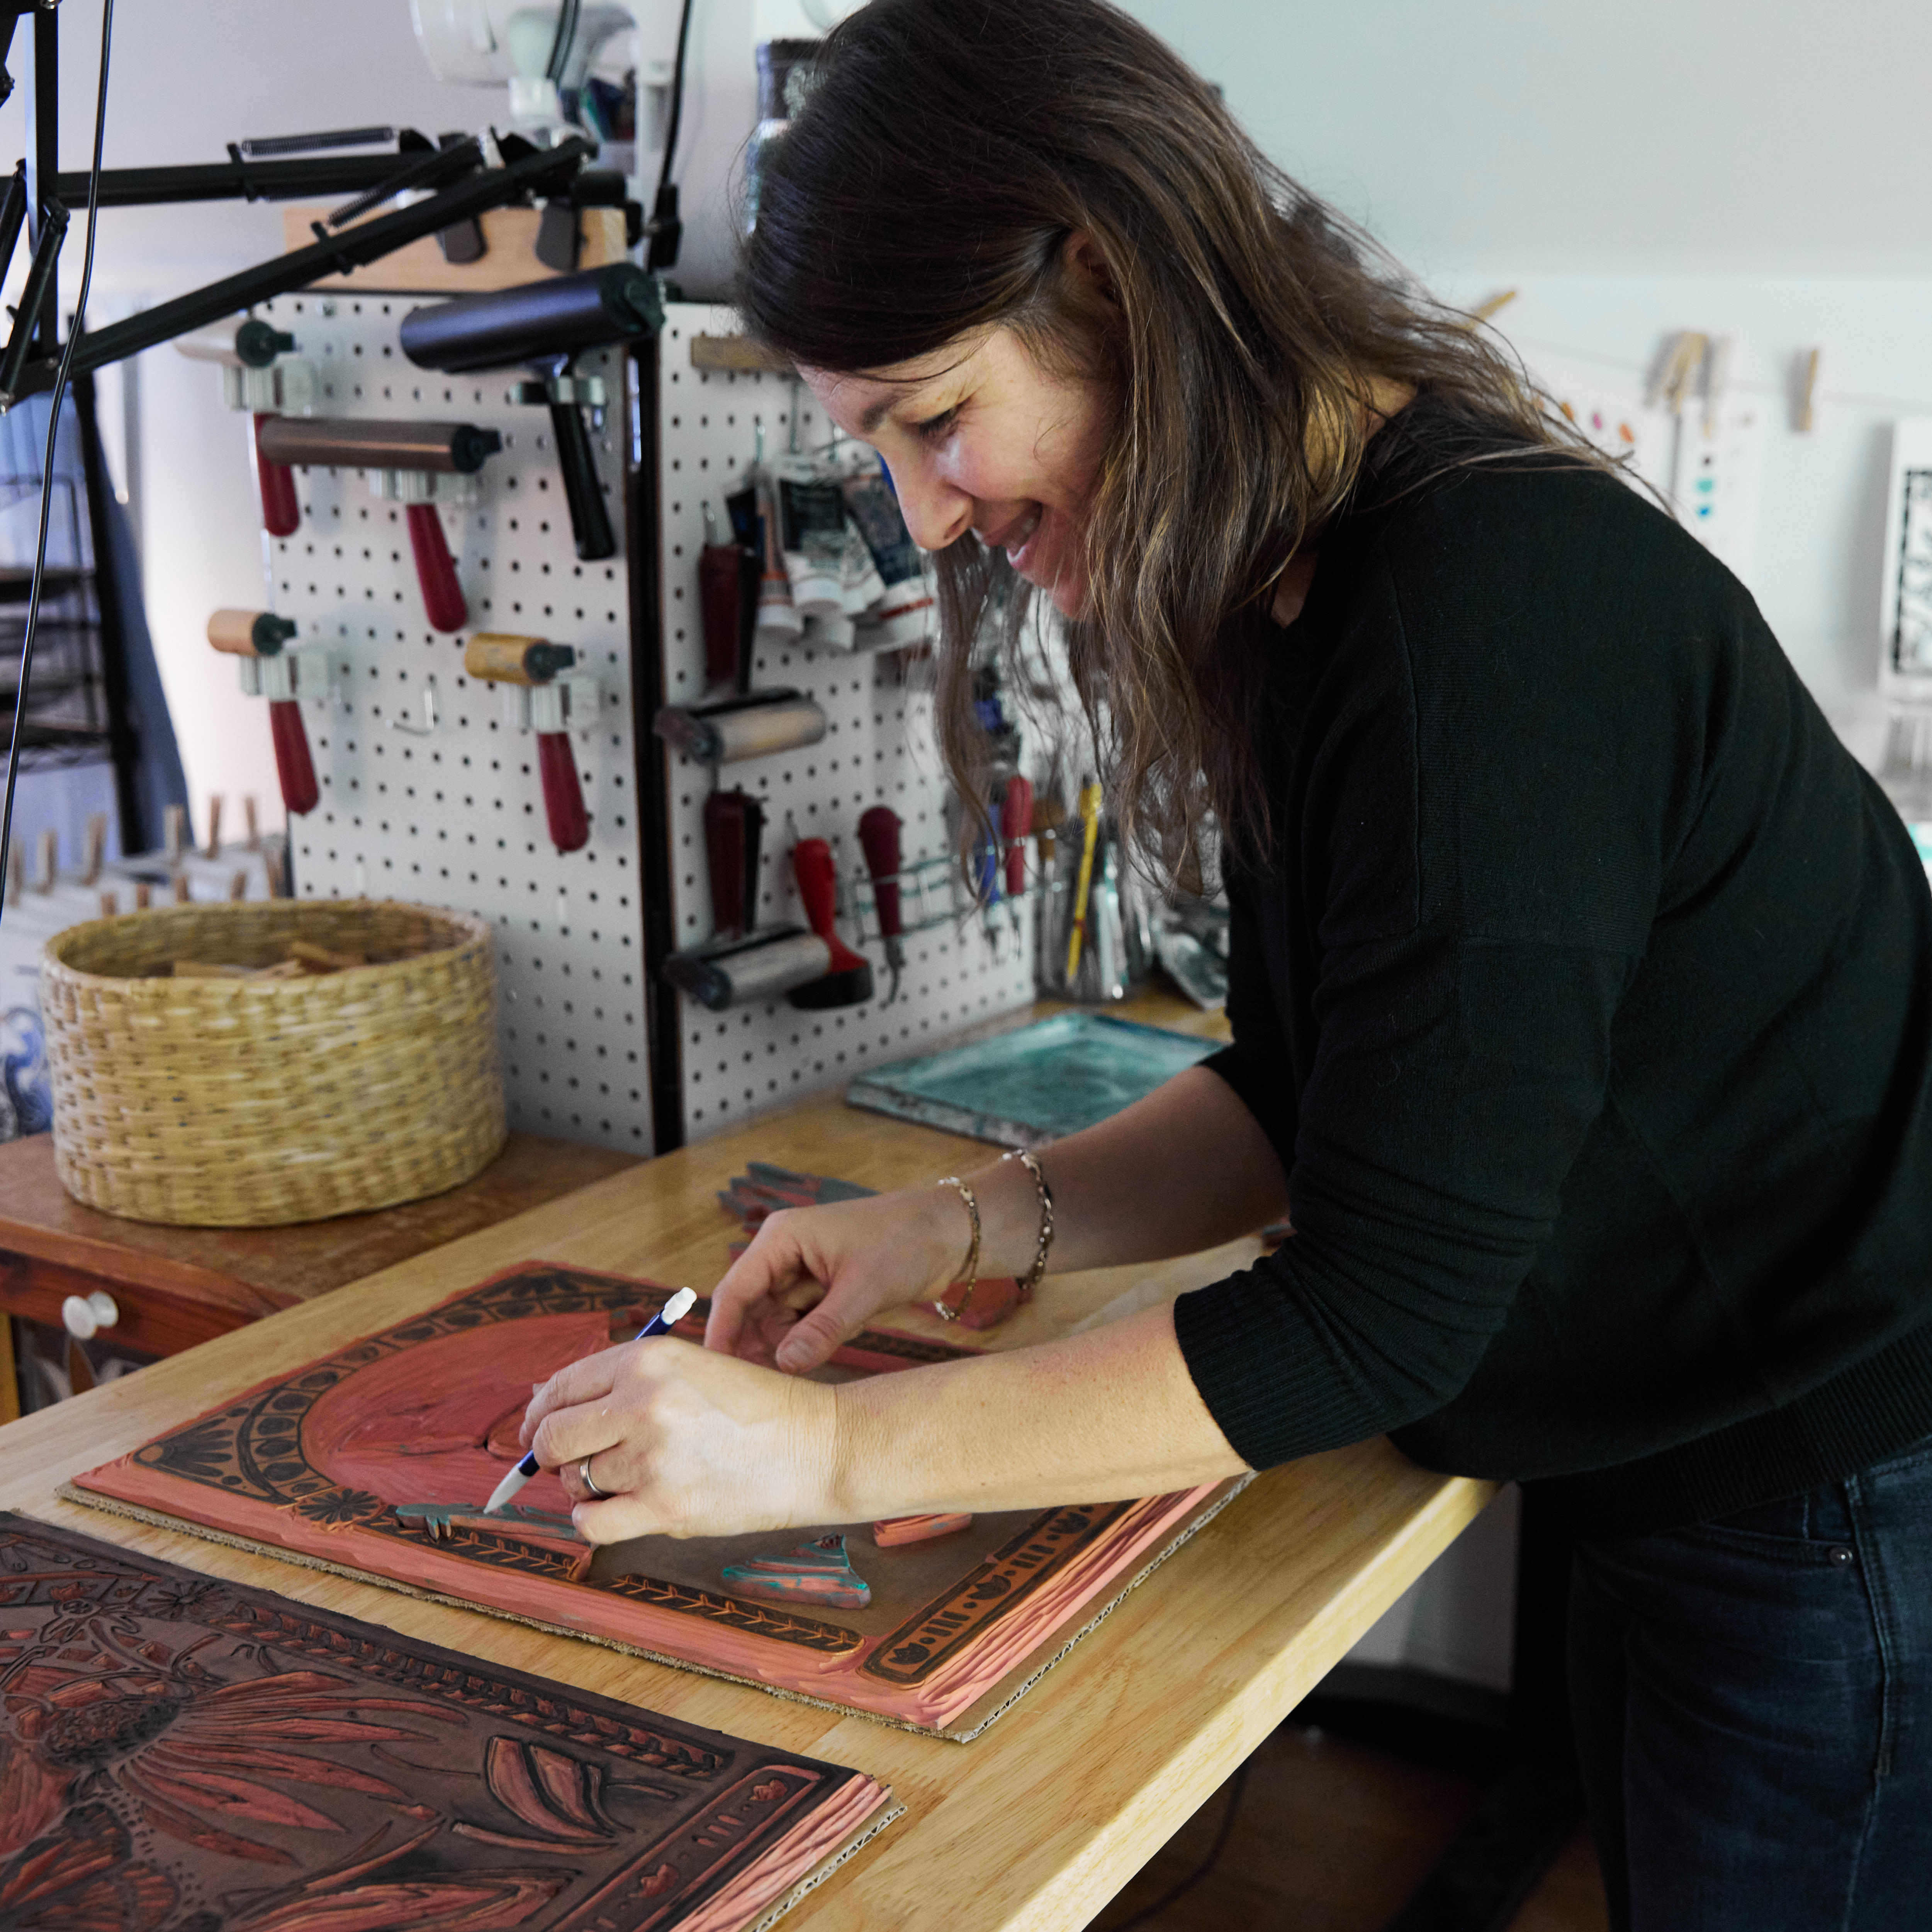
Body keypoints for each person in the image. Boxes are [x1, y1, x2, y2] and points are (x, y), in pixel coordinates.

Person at [519, 2, 1932, 1922]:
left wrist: (824, 1451)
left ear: (1112, 279)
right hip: (1686, 1458)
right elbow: (1305, 1090)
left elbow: (1378, 1314)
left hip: (1833, 1490)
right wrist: (953, 1226)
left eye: (939, 419)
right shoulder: (1323, 580)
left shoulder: (1481, 627)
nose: (931, 517)